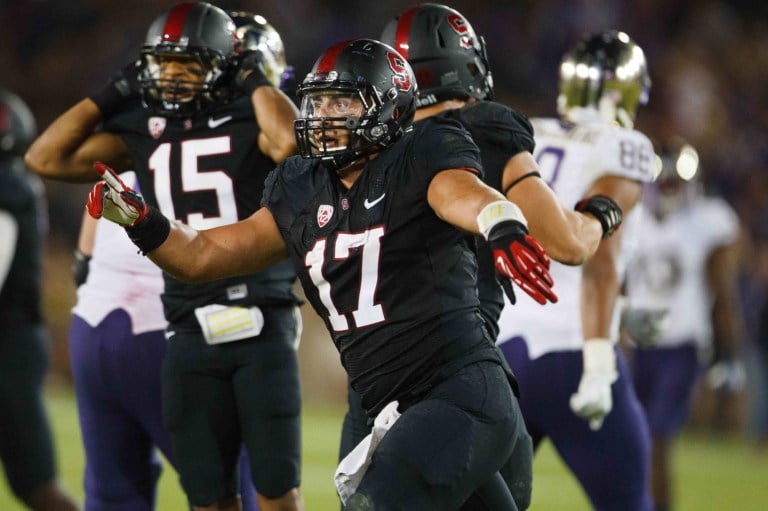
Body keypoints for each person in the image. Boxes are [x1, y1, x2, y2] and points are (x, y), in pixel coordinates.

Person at [85, 37, 558, 511]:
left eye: (343, 101)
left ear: (389, 109)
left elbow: (467, 195)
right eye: (318, 101)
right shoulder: (300, 188)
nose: (324, 115)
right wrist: (142, 221)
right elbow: (204, 256)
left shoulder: (423, 154)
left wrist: (501, 225)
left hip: (460, 394)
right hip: (389, 407)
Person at [340, 5, 623, 509]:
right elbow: (566, 243)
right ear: (466, 66)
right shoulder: (485, 128)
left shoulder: (368, 142)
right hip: (461, 382)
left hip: (371, 385)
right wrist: (601, 213)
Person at [24, 3, 303, 510]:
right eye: (164, 64)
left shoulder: (247, 112)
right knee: (207, 490)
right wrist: (116, 90)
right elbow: (43, 157)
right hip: (181, 316)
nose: (171, 78)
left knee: (270, 484)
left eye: (187, 64)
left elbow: (290, 143)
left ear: (222, 62)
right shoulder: (147, 123)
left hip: (254, 311)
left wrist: (247, 81)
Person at [495, 30, 656, 510]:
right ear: (626, 91)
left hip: (502, 351)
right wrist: (599, 362)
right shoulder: (625, 146)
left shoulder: (525, 131)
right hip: (572, 353)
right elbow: (599, 257)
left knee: (482, 501)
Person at [69, 176, 259, 511]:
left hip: (92, 320)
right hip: (165, 327)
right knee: (228, 487)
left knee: (114, 495)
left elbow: (83, 258)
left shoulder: (132, 137)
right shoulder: (232, 140)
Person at [623, 138, 744, 511]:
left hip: (681, 346)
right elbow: (615, 283)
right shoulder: (632, 218)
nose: (670, 189)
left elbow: (722, 291)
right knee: (636, 438)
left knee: (657, 437)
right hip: (639, 344)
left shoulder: (708, 221)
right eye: (665, 181)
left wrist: (729, 352)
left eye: (676, 181)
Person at [0, 88, 81, 511]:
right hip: (16, 342)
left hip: (7, 349)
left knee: (36, 484)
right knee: (34, 485)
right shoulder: (17, 182)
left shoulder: (8, 187)